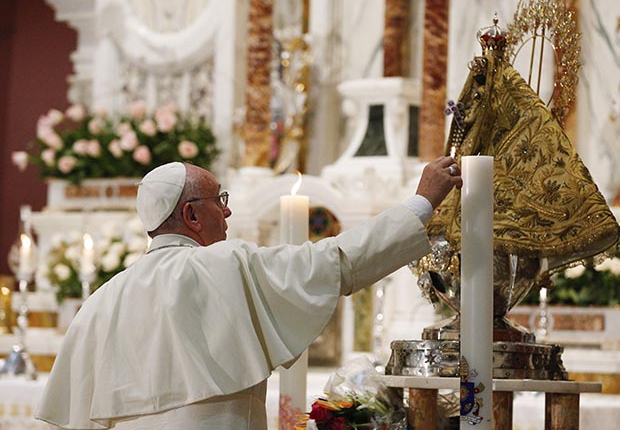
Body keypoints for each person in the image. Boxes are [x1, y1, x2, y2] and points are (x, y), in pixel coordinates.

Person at [35, 157, 462, 430]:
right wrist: (422, 202)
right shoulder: (226, 266)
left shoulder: (100, 303)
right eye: (219, 200)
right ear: (190, 214)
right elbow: (337, 262)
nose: (228, 211)